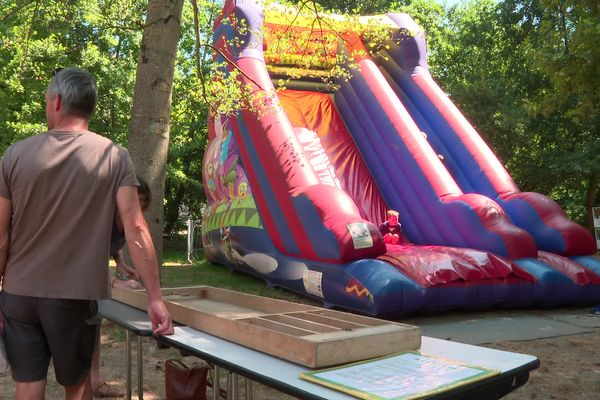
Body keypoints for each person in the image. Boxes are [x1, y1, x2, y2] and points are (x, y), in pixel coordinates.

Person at [0, 67, 173, 400]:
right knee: (77, 387)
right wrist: (155, 298)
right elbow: (136, 229)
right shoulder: (114, 157)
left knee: (28, 384)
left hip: (19, 295)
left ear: (57, 101)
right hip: (74, 297)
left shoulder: (14, 156)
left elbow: (1, 237)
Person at [90, 178, 150, 397]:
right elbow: (92, 258)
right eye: (135, 198)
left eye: (142, 200)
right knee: (84, 329)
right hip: (78, 280)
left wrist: (121, 263)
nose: (138, 204)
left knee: (94, 327)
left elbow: (115, 244)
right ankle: (87, 383)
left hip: (93, 282)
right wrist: (117, 283)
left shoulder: (127, 220)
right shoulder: (101, 220)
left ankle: (94, 381)